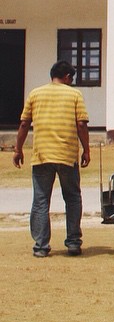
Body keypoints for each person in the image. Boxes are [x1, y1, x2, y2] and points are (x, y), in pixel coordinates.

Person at [13, 60, 90, 257]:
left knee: (40, 201)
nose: (71, 82)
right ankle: (73, 243)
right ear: (66, 77)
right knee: (72, 198)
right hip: (66, 155)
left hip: (42, 155)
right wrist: (86, 150)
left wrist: (18, 149)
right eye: (71, 78)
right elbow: (81, 124)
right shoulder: (74, 95)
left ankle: (41, 246)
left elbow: (24, 124)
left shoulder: (35, 93)